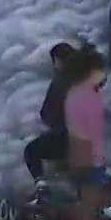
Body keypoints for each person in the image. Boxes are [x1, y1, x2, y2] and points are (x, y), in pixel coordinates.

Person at [64, 46, 111, 220]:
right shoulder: (91, 97)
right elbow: (96, 134)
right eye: (101, 69)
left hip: (76, 156)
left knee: (89, 209)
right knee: (89, 215)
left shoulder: (73, 93)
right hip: (91, 158)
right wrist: (100, 162)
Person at [24, 42, 79, 188]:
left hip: (65, 134)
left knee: (31, 151)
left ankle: (42, 187)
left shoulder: (61, 82)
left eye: (55, 61)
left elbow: (48, 111)